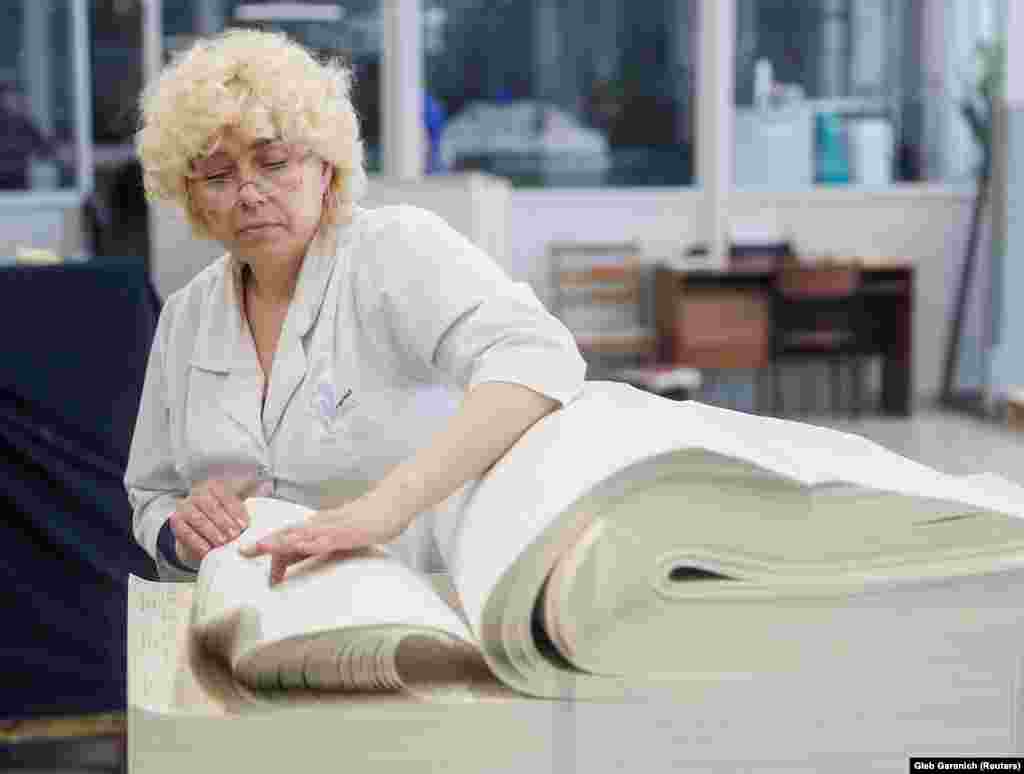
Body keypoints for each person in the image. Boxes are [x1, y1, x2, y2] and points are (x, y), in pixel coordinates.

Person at [125, 28, 586, 586]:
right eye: (219, 176)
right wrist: (180, 534)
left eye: (273, 163)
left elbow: (537, 356)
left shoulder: (392, 251)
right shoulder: (186, 316)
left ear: (326, 168)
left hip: (408, 608)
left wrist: (386, 507)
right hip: (245, 622)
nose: (248, 192)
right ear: (192, 196)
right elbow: (152, 494)